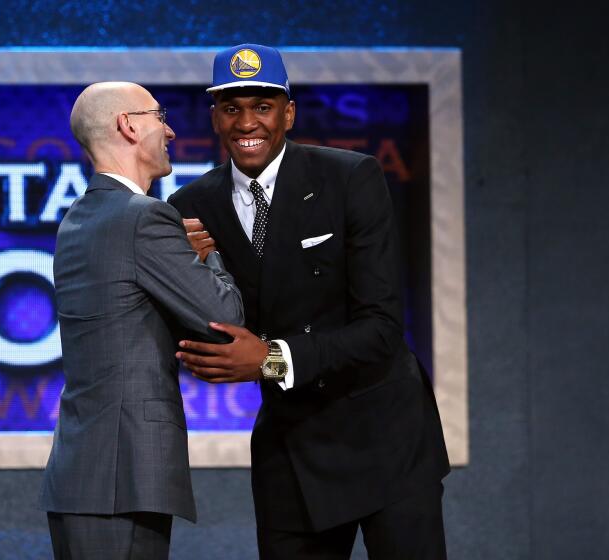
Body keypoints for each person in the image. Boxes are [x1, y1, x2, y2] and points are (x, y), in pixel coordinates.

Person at [168, 44, 450, 559]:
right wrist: (186, 269)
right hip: (291, 443)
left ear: (288, 113)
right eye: (231, 108)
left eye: (262, 106)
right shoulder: (189, 207)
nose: (246, 121)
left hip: (384, 432)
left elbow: (382, 327)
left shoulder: (349, 178)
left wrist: (272, 358)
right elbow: (201, 331)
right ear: (214, 118)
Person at [39, 81, 244, 560]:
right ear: (128, 126)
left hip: (84, 471)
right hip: (122, 476)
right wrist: (208, 257)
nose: (169, 130)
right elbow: (223, 318)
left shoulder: (80, 217)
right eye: (159, 116)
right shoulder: (143, 217)